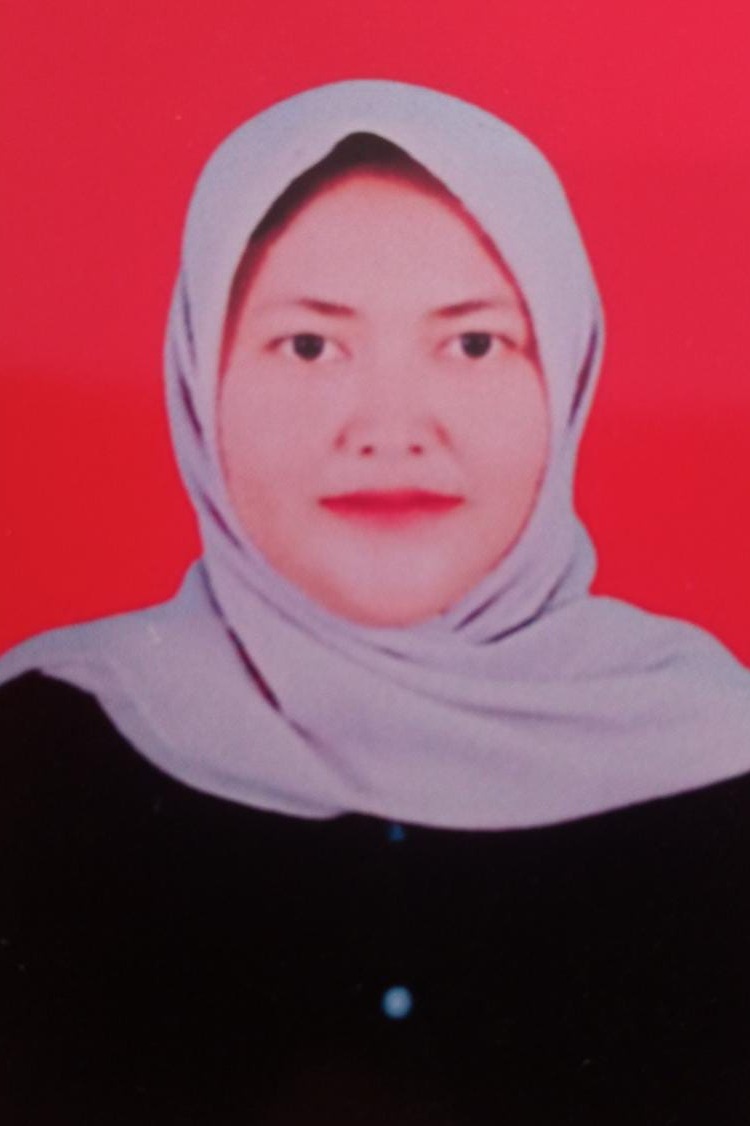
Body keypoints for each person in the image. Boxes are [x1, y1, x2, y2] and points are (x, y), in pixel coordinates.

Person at [1, 79, 749, 1125]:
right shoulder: (42, 743)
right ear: (200, 378)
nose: (391, 430)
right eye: (310, 346)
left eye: (473, 344)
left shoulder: (718, 752)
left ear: (568, 371)